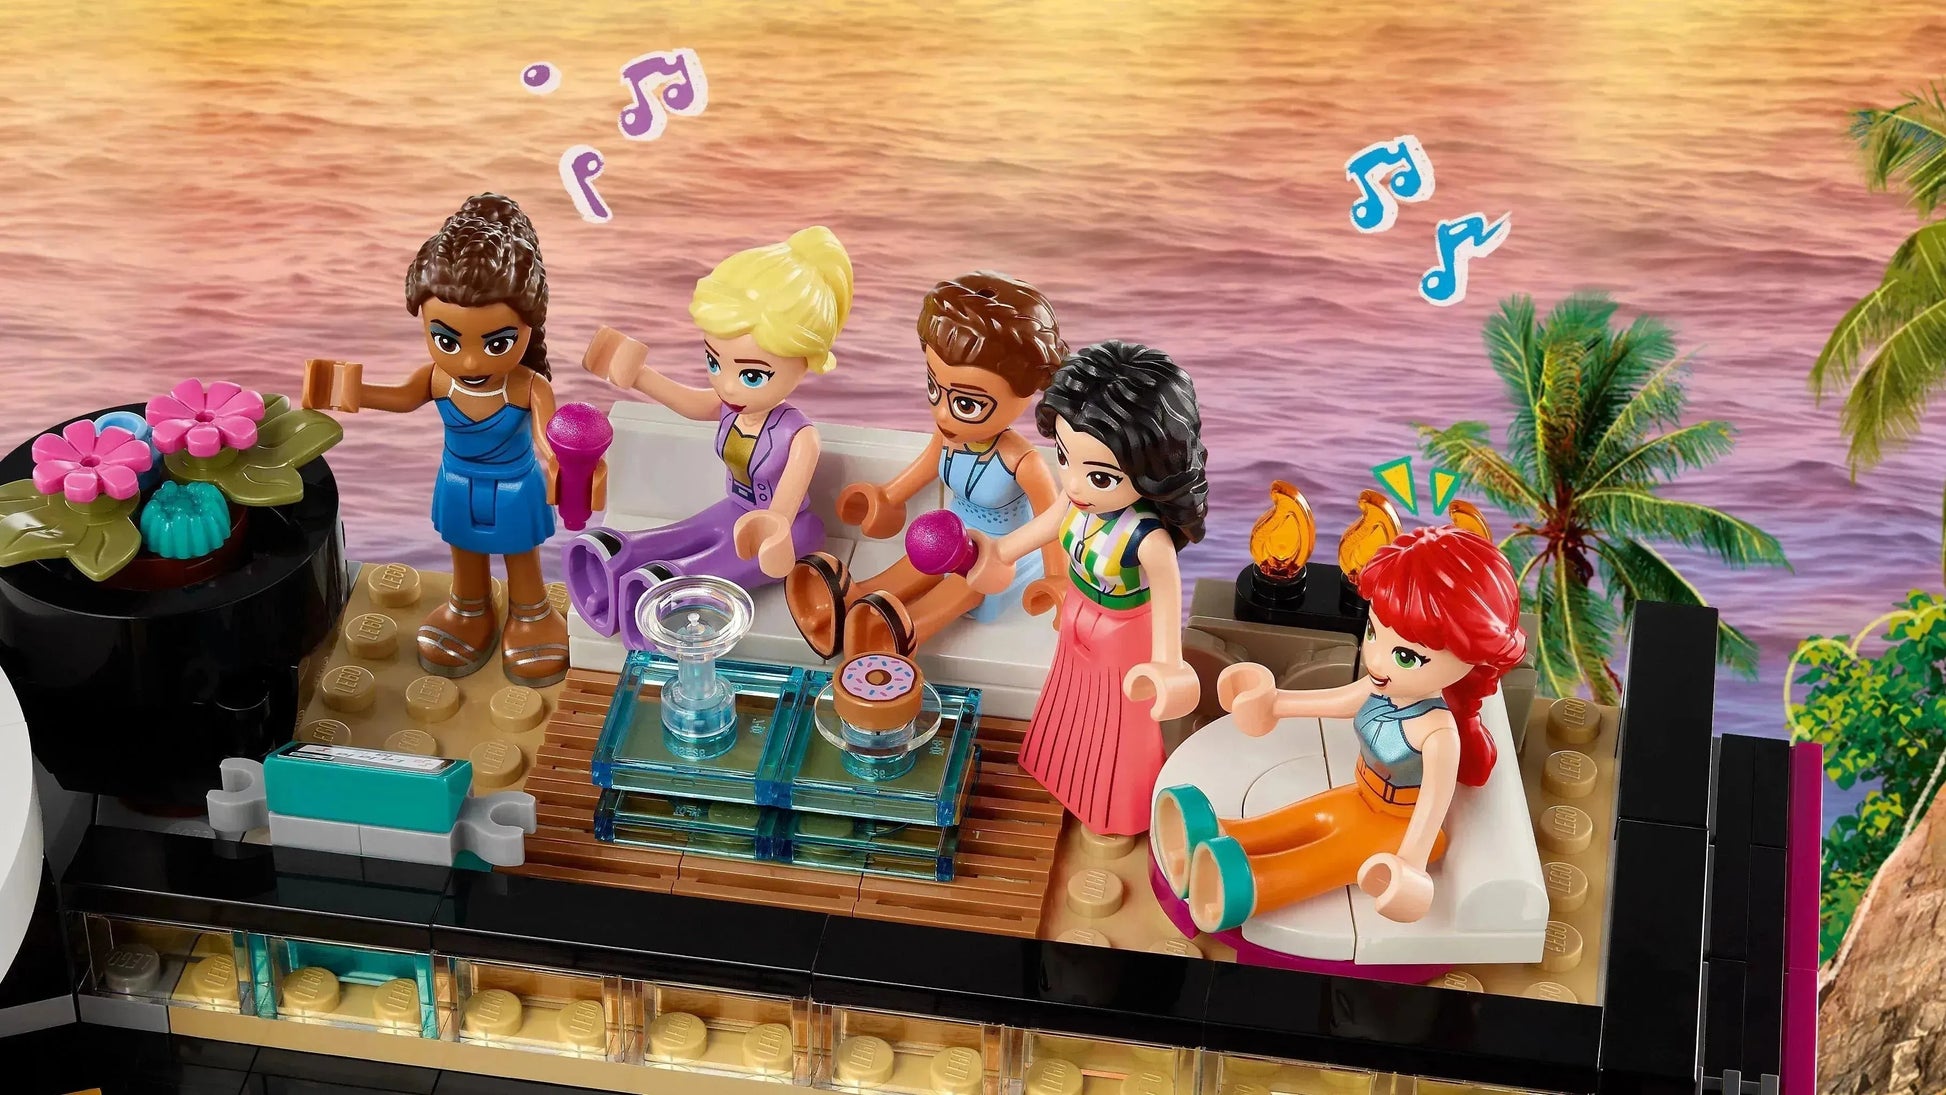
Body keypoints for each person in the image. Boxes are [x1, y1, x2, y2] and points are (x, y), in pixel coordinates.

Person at [1153, 524, 1526, 931]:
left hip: (1398, 824)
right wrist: (1275, 703)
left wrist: (1412, 861)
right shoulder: (1380, 686)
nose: (1376, 660)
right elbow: (1336, 701)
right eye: (1373, 632)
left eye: (1405, 656)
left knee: (1318, 859)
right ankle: (1212, 834)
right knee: (1285, 824)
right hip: (1361, 794)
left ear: (1473, 659)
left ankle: (1251, 884)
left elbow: (1432, 807)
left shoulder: (1438, 732)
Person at [301, 193, 588, 688]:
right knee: (463, 550)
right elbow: (399, 398)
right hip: (457, 480)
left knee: (521, 553)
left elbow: (548, 438)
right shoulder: (437, 379)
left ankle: (532, 613)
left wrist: (569, 463)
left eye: (497, 343)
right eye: (447, 341)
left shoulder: (527, 385)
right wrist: (348, 390)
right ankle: (469, 608)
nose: (471, 362)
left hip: (514, 485)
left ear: (529, 327)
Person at [966, 341, 1208, 836]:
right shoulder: (1076, 503)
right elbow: (1046, 525)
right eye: (1064, 456)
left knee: (1119, 723)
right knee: (1069, 701)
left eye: (1099, 475)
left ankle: (1114, 812)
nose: (1074, 485)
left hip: (1124, 633)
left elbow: (1168, 602)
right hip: (1077, 609)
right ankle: (1062, 776)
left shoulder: (1148, 539)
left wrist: (1167, 662)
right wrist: (999, 552)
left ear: (1151, 472)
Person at [570, 227, 853, 649]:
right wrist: (638, 376)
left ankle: (669, 588)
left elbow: (784, 506)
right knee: (679, 534)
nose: (728, 386)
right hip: (734, 509)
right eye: (714, 362)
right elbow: (686, 401)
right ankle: (620, 555)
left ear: (805, 362)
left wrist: (774, 528)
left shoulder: (800, 435)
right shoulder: (727, 406)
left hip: (788, 530)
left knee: (713, 563)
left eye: (752, 375)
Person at [787, 272, 1067, 659]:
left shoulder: (1023, 462)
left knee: (964, 584)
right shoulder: (947, 438)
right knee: (916, 562)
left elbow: (1051, 525)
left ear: (1023, 395)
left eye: (966, 404)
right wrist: (884, 497)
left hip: (1001, 553)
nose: (942, 413)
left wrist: (1057, 578)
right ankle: (852, 600)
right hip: (946, 536)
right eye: (935, 388)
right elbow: (921, 471)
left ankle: (904, 631)